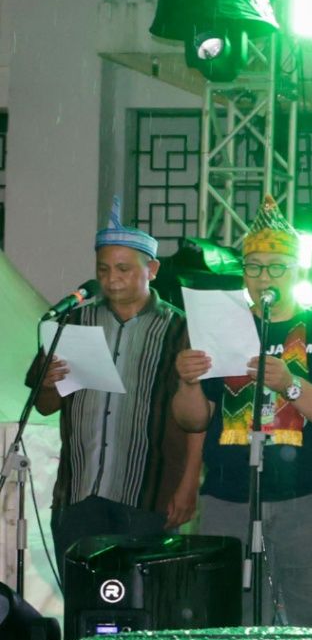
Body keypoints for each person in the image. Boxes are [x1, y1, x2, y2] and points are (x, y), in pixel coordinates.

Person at [173, 197, 312, 625]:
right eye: (253, 267)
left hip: (308, 497)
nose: (263, 277)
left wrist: (290, 384)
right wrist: (188, 381)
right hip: (229, 495)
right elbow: (193, 420)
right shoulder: (219, 329)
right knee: (226, 618)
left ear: (296, 273)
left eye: (276, 267)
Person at [29, 198, 199, 563]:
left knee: (143, 594)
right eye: (103, 269)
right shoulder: (72, 323)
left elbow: (198, 421)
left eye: (123, 269)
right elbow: (45, 406)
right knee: (82, 593)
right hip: (79, 494)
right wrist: (47, 384)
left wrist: (188, 485)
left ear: (152, 269)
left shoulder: (181, 328)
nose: (111, 279)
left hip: (149, 494)